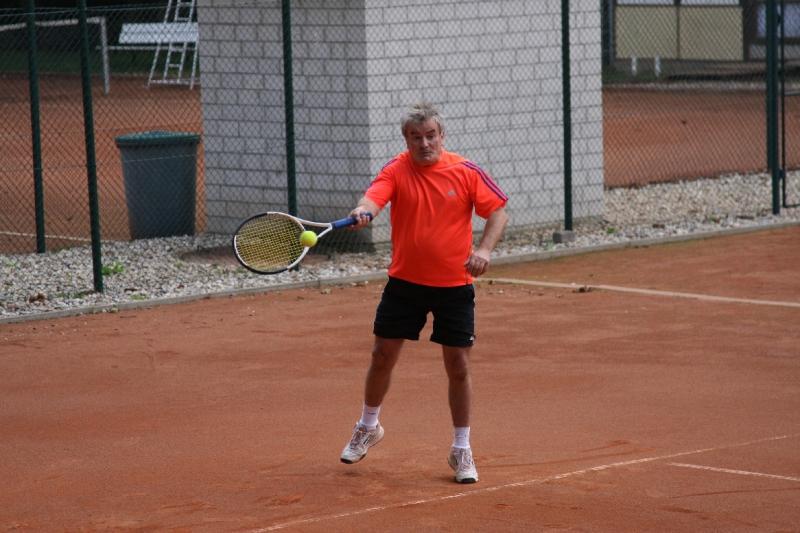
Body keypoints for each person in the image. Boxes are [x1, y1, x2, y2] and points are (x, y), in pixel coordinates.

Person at [340, 101, 509, 484]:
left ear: (441, 135)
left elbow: (499, 211)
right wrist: (363, 210)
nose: (424, 143)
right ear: (406, 139)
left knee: (458, 366)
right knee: (382, 356)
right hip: (405, 284)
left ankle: (461, 449)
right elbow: (373, 198)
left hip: (454, 286)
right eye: (416, 137)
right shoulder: (396, 169)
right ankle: (368, 426)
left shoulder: (465, 171)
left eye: (431, 135)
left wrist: (484, 251)